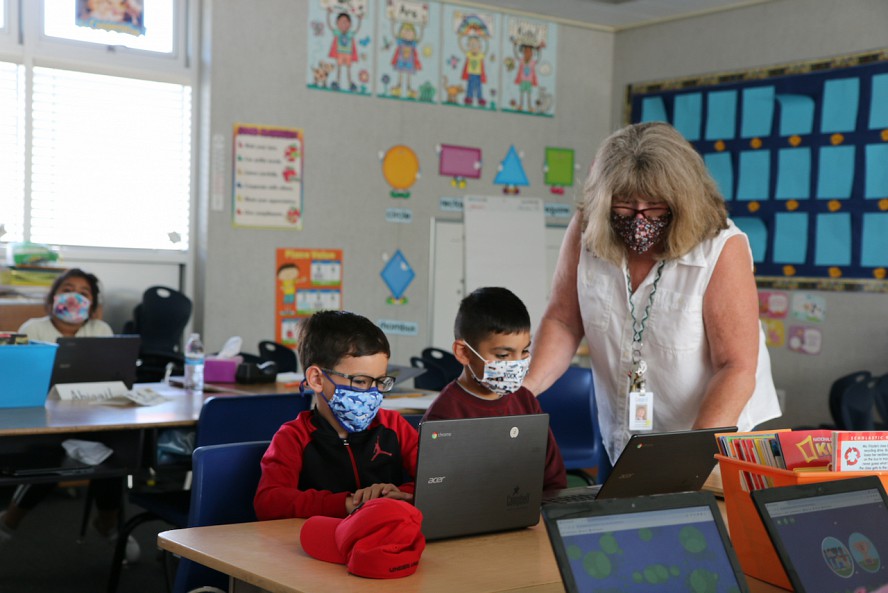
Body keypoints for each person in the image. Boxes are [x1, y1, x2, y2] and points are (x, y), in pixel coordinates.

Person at [523, 122, 781, 466]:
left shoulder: (720, 248)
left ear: (681, 200)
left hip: (712, 436)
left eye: (655, 206)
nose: (639, 217)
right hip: (624, 431)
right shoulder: (589, 228)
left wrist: (691, 457)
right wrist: (524, 390)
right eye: (625, 204)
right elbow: (564, 321)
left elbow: (735, 368)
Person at [0, 268, 141, 562]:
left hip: (93, 417)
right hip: (43, 419)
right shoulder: (34, 327)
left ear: (92, 302)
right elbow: (22, 377)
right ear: (53, 297)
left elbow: (112, 380)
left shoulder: (100, 331)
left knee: (114, 452)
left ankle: (109, 525)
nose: (75, 296)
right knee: (49, 455)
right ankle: (8, 521)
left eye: (84, 292)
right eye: (67, 288)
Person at [254, 310, 418, 519]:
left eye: (380, 382)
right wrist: (349, 503)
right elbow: (269, 503)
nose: (372, 392)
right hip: (316, 543)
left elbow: (435, 480)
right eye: (360, 381)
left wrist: (399, 495)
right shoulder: (294, 437)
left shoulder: (393, 425)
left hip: (382, 536)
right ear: (317, 379)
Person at [421, 287, 567, 492]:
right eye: (503, 355)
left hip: (530, 516)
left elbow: (553, 479)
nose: (517, 363)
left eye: (524, 351)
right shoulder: (444, 414)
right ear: (463, 352)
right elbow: (436, 493)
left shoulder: (526, 400)